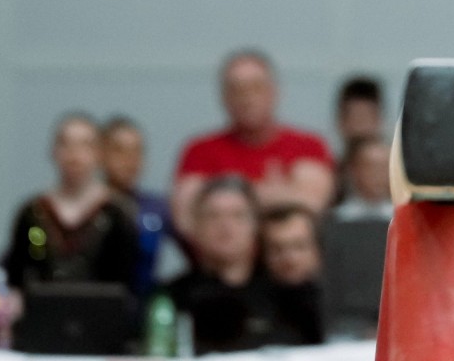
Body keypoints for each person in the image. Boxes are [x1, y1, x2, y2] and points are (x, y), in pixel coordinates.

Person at [172, 50, 336, 247]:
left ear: (275, 92)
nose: (247, 98)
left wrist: (224, 205)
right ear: (223, 97)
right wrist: (276, 195)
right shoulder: (199, 151)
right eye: (236, 90)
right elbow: (186, 221)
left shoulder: (309, 146)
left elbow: (311, 208)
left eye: (256, 88)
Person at [2, 113, 140, 293]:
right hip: (42, 307)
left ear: (99, 154)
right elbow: (16, 276)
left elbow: (126, 283)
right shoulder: (33, 213)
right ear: (53, 151)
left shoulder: (117, 214)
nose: (74, 155)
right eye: (65, 144)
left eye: (84, 145)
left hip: (101, 307)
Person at [168, 176, 307, 354]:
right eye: (213, 215)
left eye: (238, 215)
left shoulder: (289, 299)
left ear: (256, 226)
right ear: (195, 226)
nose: (225, 225)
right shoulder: (169, 300)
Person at [101, 115, 175, 301]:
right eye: (119, 150)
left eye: (137, 151)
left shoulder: (158, 208)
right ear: (100, 155)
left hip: (143, 305)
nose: (129, 160)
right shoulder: (88, 208)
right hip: (95, 303)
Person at [261, 203, 325, 345]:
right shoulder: (249, 308)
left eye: (299, 246)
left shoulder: (345, 302)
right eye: (277, 249)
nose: (290, 259)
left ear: (318, 248)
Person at [333, 136, 394, 221]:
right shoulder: (336, 218)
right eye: (371, 167)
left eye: (384, 167)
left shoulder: (407, 218)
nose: (379, 175)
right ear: (354, 170)